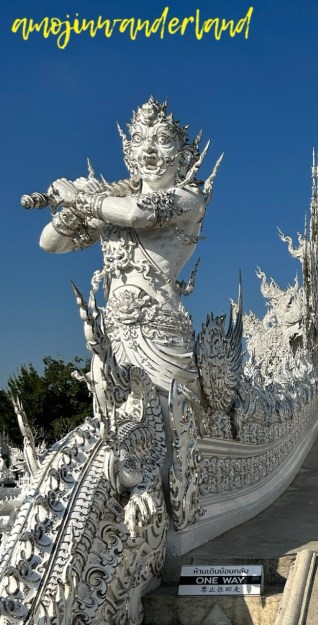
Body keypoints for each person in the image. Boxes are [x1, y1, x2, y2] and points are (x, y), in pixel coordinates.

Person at [39, 98, 213, 401]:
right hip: (111, 339)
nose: (149, 150)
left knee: (167, 425)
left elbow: (137, 214)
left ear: (184, 156)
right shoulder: (111, 205)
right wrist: (73, 208)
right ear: (129, 152)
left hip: (161, 337)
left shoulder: (189, 198)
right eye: (139, 139)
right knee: (110, 424)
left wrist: (79, 199)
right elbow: (50, 243)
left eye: (162, 140)